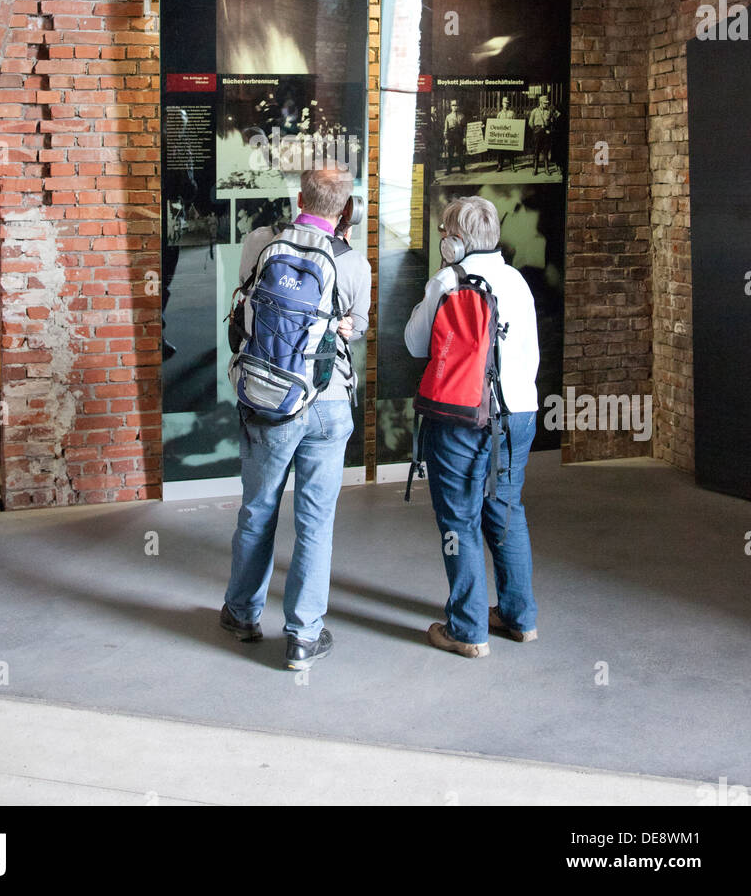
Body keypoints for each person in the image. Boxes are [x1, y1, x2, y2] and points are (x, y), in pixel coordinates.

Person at [221, 168, 371, 670]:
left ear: (301, 197)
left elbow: (244, 300)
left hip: (271, 396)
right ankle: (304, 637)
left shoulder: (262, 241)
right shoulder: (352, 262)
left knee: (258, 509)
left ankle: (242, 614)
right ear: (343, 209)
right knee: (315, 521)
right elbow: (359, 326)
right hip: (327, 403)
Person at [404, 196, 540, 658]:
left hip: (464, 416)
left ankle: (467, 629)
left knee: (458, 518)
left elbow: (416, 344)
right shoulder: (518, 282)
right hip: (519, 412)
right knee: (506, 510)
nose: (443, 239)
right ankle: (520, 619)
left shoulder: (446, 280)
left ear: (456, 242)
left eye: (445, 232)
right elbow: (530, 356)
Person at [443, 100, 467, 175]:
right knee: (450, 153)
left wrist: (464, 137)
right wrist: (446, 138)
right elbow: (446, 128)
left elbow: (465, 128)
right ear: (451, 107)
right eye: (453, 105)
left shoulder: (462, 116)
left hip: (459, 135)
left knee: (461, 153)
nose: (454, 107)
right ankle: (448, 170)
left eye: (456, 105)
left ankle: (462, 169)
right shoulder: (448, 117)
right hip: (451, 136)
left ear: (458, 106)